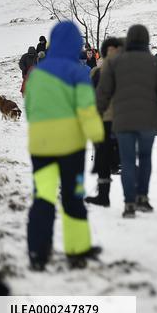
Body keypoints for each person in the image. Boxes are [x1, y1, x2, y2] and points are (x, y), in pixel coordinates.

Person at [24, 21, 105, 270]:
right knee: (72, 197)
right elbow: (87, 111)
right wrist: (99, 139)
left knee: (44, 197)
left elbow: (29, 110)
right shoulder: (78, 72)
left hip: (40, 147)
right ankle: (76, 250)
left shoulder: (36, 74)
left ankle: (38, 253)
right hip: (70, 148)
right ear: (76, 44)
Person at [95, 25, 157, 218]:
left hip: (122, 120)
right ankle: (142, 198)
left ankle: (129, 203)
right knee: (145, 159)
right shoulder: (156, 64)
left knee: (127, 161)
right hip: (147, 121)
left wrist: (98, 113)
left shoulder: (115, 62)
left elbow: (103, 92)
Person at [85, 37, 124, 207]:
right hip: (113, 118)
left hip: (110, 118)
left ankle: (106, 195)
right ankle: (111, 195)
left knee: (106, 155)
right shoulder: (123, 71)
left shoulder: (98, 72)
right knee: (108, 155)